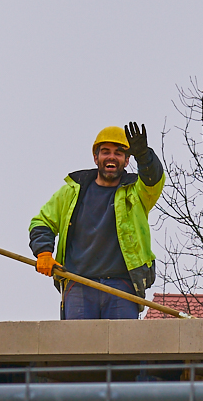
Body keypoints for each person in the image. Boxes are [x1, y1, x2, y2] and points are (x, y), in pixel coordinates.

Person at [28, 123, 164, 319]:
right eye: (105, 152)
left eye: (118, 153)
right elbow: (42, 222)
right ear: (96, 158)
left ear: (127, 161)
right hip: (78, 283)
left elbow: (154, 180)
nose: (111, 157)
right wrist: (43, 252)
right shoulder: (72, 192)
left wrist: (144, 157)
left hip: (122, 286)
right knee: (79, 347)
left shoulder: (138, 192)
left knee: (122, 347)